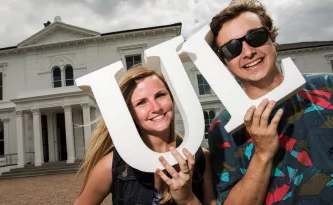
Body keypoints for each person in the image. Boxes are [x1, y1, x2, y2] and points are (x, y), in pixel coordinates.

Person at [208, 0, 333, 205]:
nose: (248, 52)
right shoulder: (222, 128)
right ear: (225, 63)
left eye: (255, 37)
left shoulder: (327, 87)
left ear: (272, 38)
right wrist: (262, 154)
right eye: (232, 48)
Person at [74, 65, 217, 205]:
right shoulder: (111, 165)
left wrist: (188, 199)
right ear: (129, 113)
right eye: (141, 102)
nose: (156, 108)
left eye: (160, 95)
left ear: (172, 97)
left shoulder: (200, 157)